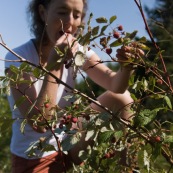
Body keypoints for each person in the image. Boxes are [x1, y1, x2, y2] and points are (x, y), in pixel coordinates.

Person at [5, 0, 144, 172]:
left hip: (69, 143)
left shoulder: (78, 51)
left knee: (121, 99)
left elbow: (116, 85)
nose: (70, 21)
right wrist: (55, 64)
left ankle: (125, 169)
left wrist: (127, 66)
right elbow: (40, 124)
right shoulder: (19, 57)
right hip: (34, 158)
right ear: (43, 14)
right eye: (62, 12)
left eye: (76, 15)